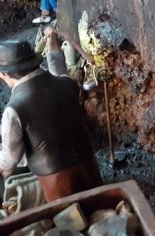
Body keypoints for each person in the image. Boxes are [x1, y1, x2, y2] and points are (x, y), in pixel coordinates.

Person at [0, 40, 102, 201]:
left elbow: (9, 160)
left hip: (57, 182)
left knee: (70, 214)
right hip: (89, 167)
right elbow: (58, 73)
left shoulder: (13, 109)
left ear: (4, 74)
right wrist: (54, 49)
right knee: (98, 203)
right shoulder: (67, 83)